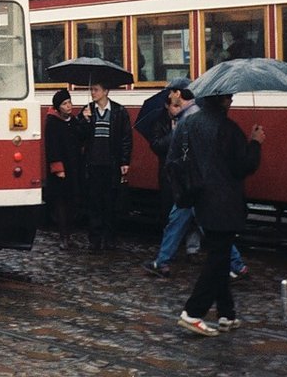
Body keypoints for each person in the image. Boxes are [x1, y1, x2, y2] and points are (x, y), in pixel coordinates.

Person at [170, 93, 264, 336]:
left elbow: (175, 159)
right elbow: (244, 166)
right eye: (229, 98)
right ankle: (193, 312)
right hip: (224, 200)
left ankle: (226, 314)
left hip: (201, 199)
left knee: (219, 255)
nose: (231, 101)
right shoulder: (228, 128)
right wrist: (255, 142)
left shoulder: (188, 123)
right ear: (221, 100)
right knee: (217, 258)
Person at [144, 89, 249, 280]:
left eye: (173, 95)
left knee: (186, 223)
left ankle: (163, 262)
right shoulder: (201, 116)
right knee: (197, 225)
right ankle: (237, 265)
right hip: (202, 183)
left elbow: (178, 155)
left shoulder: (188, 121)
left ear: (179, 95)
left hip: (193, 184)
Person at [81, 81, 132, 251]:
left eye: (96, 90)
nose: (93, 93)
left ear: (105, 91)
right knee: (94, 203)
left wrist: (125, 161)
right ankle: (95, 240)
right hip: (93, 164)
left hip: (111, 163)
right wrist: (85, 121)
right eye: (92, 90)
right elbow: (80, 137)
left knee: (111, 202)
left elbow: (126, 138)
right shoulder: (87, 111)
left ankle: (110, 238)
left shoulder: (119, 111)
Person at [44, 88, 86, 249]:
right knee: (61, 202)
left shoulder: (73, 121)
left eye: (69, 102)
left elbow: (82, 136)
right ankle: (64, 236)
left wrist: (85, 120)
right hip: (61, 169)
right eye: (64, 104)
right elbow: (52, 148)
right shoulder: (52, 123)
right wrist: (58, 168)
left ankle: (68, 234)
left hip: (74, 167)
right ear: (58, 107)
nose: (68, 106)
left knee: (73, 202)